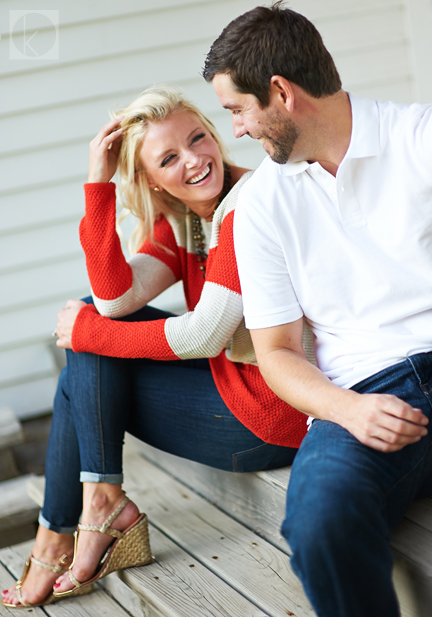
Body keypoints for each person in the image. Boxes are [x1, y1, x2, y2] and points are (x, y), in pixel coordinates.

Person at [1, 86, 309, 608]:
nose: (194, 160)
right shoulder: (188, 219)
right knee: (91, 327)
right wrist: (98, 185)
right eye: (170, 157)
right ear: (149, 179)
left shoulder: (245, 205)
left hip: (272, 413)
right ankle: (87, 512)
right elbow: (114, 298)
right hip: (234, 389)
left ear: (214, 134)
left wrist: (89, 333)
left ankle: (70, 525)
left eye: (198, 138)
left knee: (89, 342)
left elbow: (207, 333)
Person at [201, 4, 432, 616]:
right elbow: (279, 354)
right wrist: (350, 410)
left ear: (281, 93)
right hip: (365, 395)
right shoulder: (260, 205)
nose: (236, 130)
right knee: (318, 527)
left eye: (237, 109)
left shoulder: (423, 135)